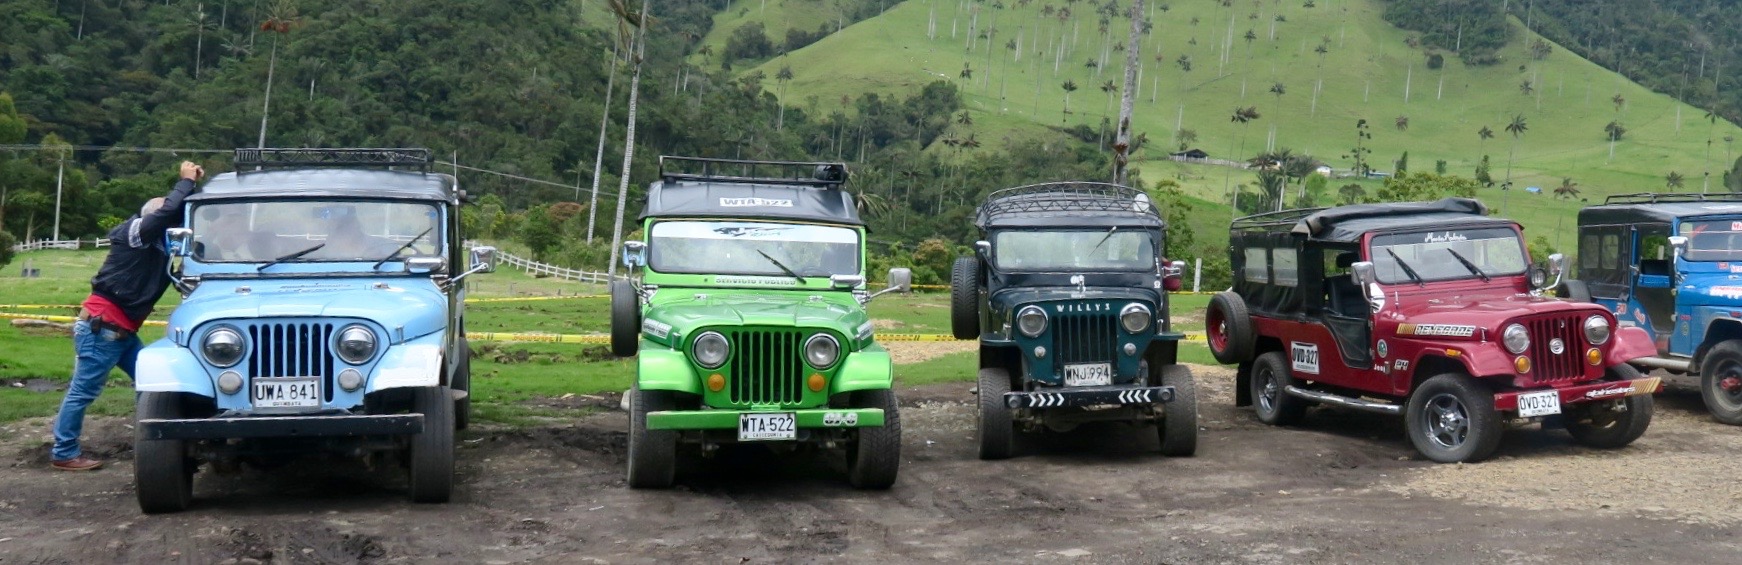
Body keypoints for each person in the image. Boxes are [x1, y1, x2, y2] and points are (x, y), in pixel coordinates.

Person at [49, 161, 202, 471]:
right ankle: (64, 452)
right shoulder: (135, 232)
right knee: (83, 391)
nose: (170, 220)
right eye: (166, 215)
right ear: (152, 215)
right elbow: (162, 213)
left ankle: (154, 444)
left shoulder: (156, 248)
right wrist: (185, 182)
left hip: (119, 331)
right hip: (103, 328)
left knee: (153, 384)